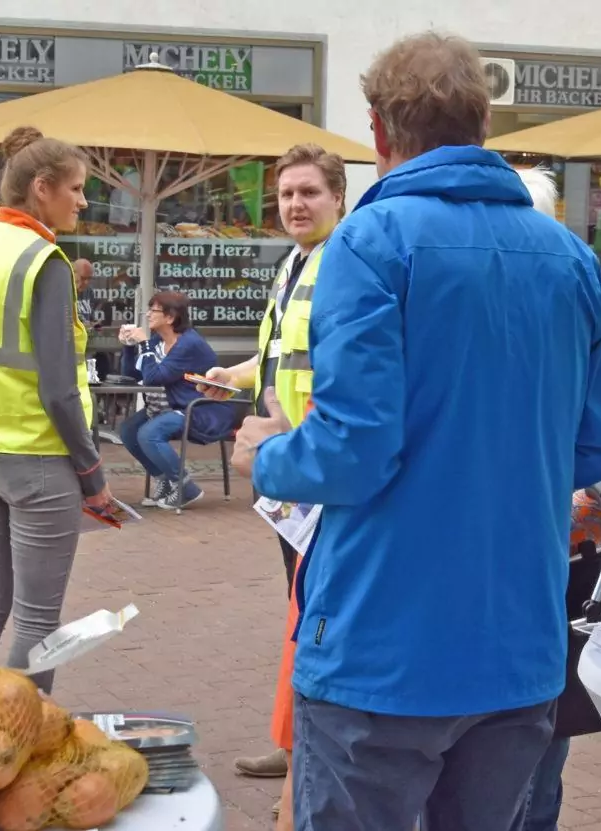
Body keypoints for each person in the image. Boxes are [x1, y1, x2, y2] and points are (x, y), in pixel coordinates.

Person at [232, 32, 601, 831]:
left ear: (380, 131)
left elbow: (355, 446)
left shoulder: (369, 243)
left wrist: (267, 456)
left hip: (384, 647)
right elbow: (600, 443)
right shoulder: (567, 256)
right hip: (516, 644)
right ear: (482, 123)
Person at [0, 125, 114, 694]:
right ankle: (16, 752)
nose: (83, 201)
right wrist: (93, 475)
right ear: (41, 188)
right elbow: (60, 391)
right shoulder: (46, 261)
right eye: (77, 188)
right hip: (39, 462)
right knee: (37, 620)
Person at [199, 143, 347, 811]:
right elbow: (286, 354)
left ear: (337, 198)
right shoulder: (294, 264)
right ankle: (296, 741)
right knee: (299, 608)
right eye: (286, 194)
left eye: (309, 192)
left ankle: (310, 748)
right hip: (288, 467)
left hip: (315, 464)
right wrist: (238, 374)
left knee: (315, 611)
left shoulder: (342, 264)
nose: (295, 204)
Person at [516, 166, 601, 831]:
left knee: (538, 752)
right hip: (489, 593)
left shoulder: (573, 341)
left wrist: (545, 505)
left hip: (551, 580)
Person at [119, 291, 238, 510]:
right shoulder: (158, 341)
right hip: (167, 408)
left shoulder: (188, 344)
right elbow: (133, 375)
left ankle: (186, 487)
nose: (148, 315)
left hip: (199, 409)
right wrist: (128, 346)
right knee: (128, 431)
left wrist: (143, 344)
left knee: (149, 434)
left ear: (170, 317)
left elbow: (155, 377)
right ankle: (165, 479)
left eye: (153, 310)